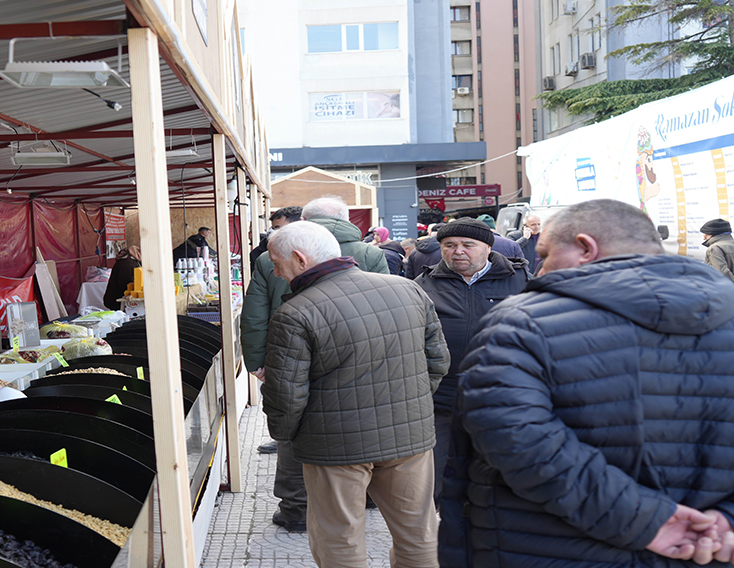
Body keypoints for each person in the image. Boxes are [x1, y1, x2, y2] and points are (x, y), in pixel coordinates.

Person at [440, 199, 734, 567]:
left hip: (545, 548)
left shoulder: (520, 322)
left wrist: (648, 521)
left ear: (585, 248)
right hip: (709, 547)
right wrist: (726, 519)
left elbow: (518, 439)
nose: (540, 269)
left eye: (545, 255)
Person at [263, 221, 449, 568]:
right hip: (409, 438)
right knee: (419, 534)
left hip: (334, 447)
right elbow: (438, 362)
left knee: (339, 538)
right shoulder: (408, 290)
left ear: (300, 259)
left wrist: (287, 437)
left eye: (277, 263)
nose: (275, 273)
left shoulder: (295, 313)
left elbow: (285, 395)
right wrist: (412, 404)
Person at [241, 195, 389, 533]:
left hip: (291, 355)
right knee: (365, 420)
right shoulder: (369, 253)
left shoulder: (271, 256)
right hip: (363, 357)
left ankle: (295, 508)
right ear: (345, 218)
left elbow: (254, 314)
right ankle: (364, 494)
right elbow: (384, 305)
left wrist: (258, 362)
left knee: (294, 430)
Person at [412, 217, 530, 507]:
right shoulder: (422, 285)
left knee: (497, 482)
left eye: (468, 245)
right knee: (437, 485)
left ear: (488, 247)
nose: (458, 251)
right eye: (449, 245)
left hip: (503, 400)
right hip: (442, 401)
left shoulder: (521, 281)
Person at [103, 246, 141, 311]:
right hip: (118, 301)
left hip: (117, 301)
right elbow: (127, 284)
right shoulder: (127, 264)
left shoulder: (129, 262)